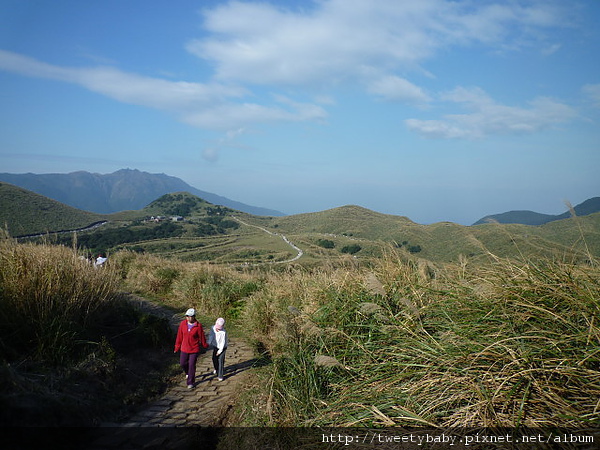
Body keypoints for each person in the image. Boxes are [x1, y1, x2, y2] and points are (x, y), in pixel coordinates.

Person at [174, 308, 208, 389]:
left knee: (192, 365)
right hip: (184, 348)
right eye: (187, 316)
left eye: (190, 316)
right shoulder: (182, 324)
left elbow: (201, 337)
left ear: (194, 317)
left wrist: (205, 345)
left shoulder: (198, 326)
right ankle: (187, 373)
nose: (188, 318)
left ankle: (190, 382)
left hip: (194, 349)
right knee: (183, 363)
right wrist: (177, 347)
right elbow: (179, 336)